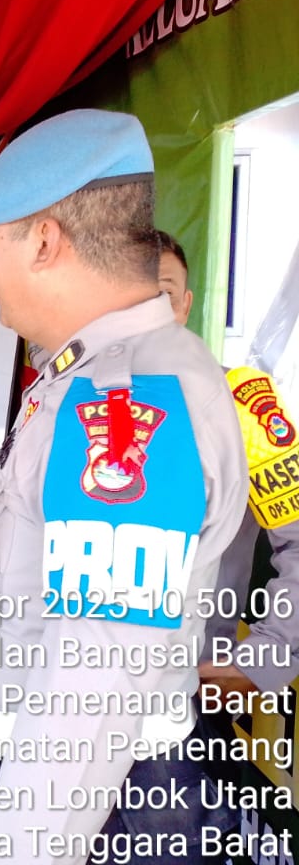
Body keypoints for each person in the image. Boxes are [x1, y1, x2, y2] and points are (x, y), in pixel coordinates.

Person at [0, 109, 247, 863]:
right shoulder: (90, 373)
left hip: (96, 804)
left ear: (43, 241)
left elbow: (96, 682)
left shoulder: (129, 398)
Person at [155, 230, 299, 700]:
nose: (146, 313)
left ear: (185, 305)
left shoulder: (243, 407)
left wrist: (264, 659)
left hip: (191, 690)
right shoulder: (72, 402)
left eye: (163, 294)